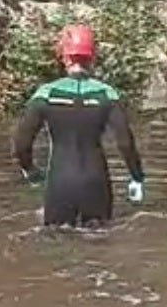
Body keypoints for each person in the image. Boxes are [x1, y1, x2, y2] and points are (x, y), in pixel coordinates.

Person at [11, 24, 146, 227]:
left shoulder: (46, 93)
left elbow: (21, 144)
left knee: (56, 243)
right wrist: (137, 177)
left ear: (63, 57)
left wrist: (29, 170)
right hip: (96, 183)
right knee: (98, 245)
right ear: (92, 57)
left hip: (60, 183)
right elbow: (125, 143)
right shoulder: (107, 94)